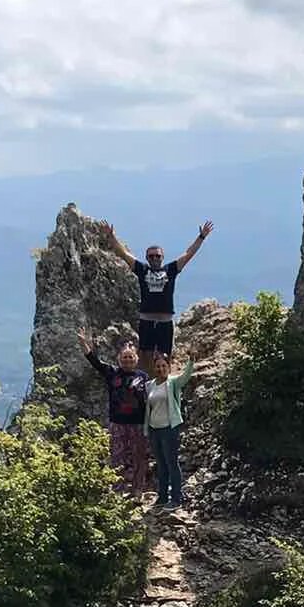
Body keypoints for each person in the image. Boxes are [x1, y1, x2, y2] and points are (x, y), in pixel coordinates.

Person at [98, 218, 214, 374]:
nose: (154, 258)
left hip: (165, 321)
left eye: (157, 256)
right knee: (144, 354)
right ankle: (144, 386)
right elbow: (123, 254)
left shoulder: (171, 269)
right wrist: (111, 237)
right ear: (147, 258)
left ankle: (164, 385)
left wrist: (201, 237)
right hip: (146, 319)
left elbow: (188, 254)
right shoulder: (142, 270)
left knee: (165, 356)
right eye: (151, 256)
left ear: (162, 257)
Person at [77, 328, 148, 497]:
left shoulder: (143, 377)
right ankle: (118, 490)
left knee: (139, 457)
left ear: (136, 359)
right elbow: (96, 363)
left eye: (131, 357)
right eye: (125, 357)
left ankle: (138, 489)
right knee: (117, 457)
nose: (128, 359)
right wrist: (84, 345)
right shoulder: (112, 373)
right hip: (117, 423)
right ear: (119, 359)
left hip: (137, 423)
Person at [143, 350, 195, 509]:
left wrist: (191, 361)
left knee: (172, 463)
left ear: (169, 367)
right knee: (160, 464)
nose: (160, 369)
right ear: (154, 368)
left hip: (169, 429)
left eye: (164, 366)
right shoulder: (149, 385)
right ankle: (163, 497)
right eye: (158, 366)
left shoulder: (173, 382)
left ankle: (176, 499)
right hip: (154, 429)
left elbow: (186, 377)